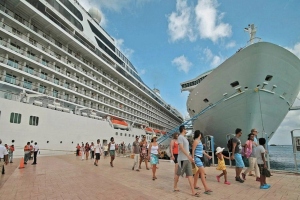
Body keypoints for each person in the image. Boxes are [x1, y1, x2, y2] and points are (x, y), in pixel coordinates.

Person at [174, 125, 199, 197]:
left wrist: (189, 156)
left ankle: (193, 192)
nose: (186, 130)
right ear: (183, 129)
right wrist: (188, 156)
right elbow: (181, 148)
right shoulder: (180, 137)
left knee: (190, 175)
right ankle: (175, 186)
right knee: (178, 174)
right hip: (181, 159)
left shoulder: (184, 138)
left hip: (187, 159)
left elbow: (186, 149)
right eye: (185, 129)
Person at [192, 130, 212, 194]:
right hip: (197, 158)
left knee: (198, 172)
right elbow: (193, 150)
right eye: (200, 133)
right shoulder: (195, 141)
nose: (201, 134)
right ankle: (206, 188)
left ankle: (194, 185)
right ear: (199, 134)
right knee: (202, 173)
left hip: (200, 158)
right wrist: (193, 159)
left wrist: (208, 156)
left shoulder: (199, 141)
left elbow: (202, 151)